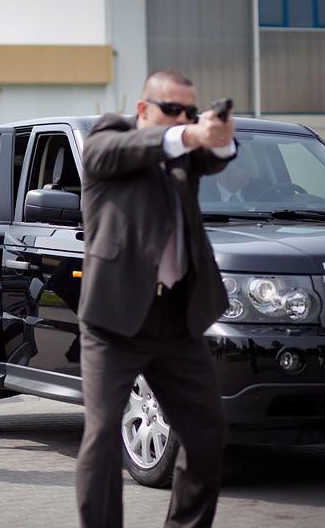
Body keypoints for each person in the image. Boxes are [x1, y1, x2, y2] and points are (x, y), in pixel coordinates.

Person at [76, 70, 236, 527]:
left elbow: (217, 157)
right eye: (172, 109)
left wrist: (220, 137)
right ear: (143, 109)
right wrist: (189, 132)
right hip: (114, 319)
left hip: (177, 318)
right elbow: (113, 153)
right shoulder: (111, 135)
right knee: (103, 434)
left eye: (190, 110)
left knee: (207, 435)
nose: (183, 119)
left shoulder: (186, 152)